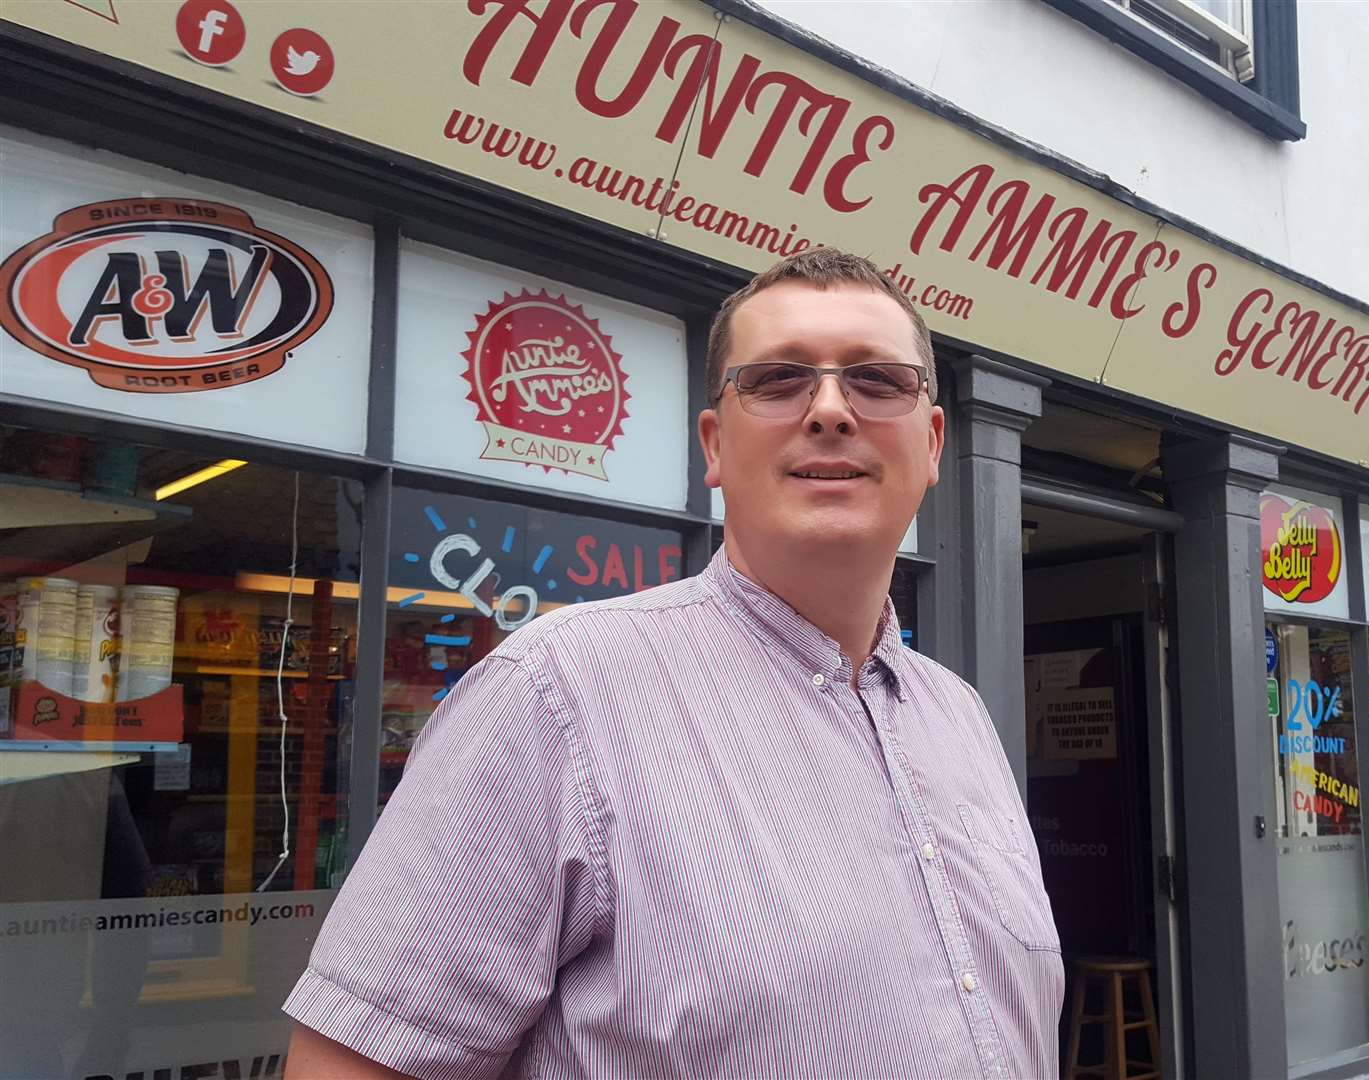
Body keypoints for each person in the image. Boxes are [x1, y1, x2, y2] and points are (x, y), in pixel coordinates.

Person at [282, 247, 1063, 1079]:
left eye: (877, 381)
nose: (831, 409)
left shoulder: (958, 714)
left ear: (932, 442)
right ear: (714, 444)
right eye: (777, 380)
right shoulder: (554, 695)